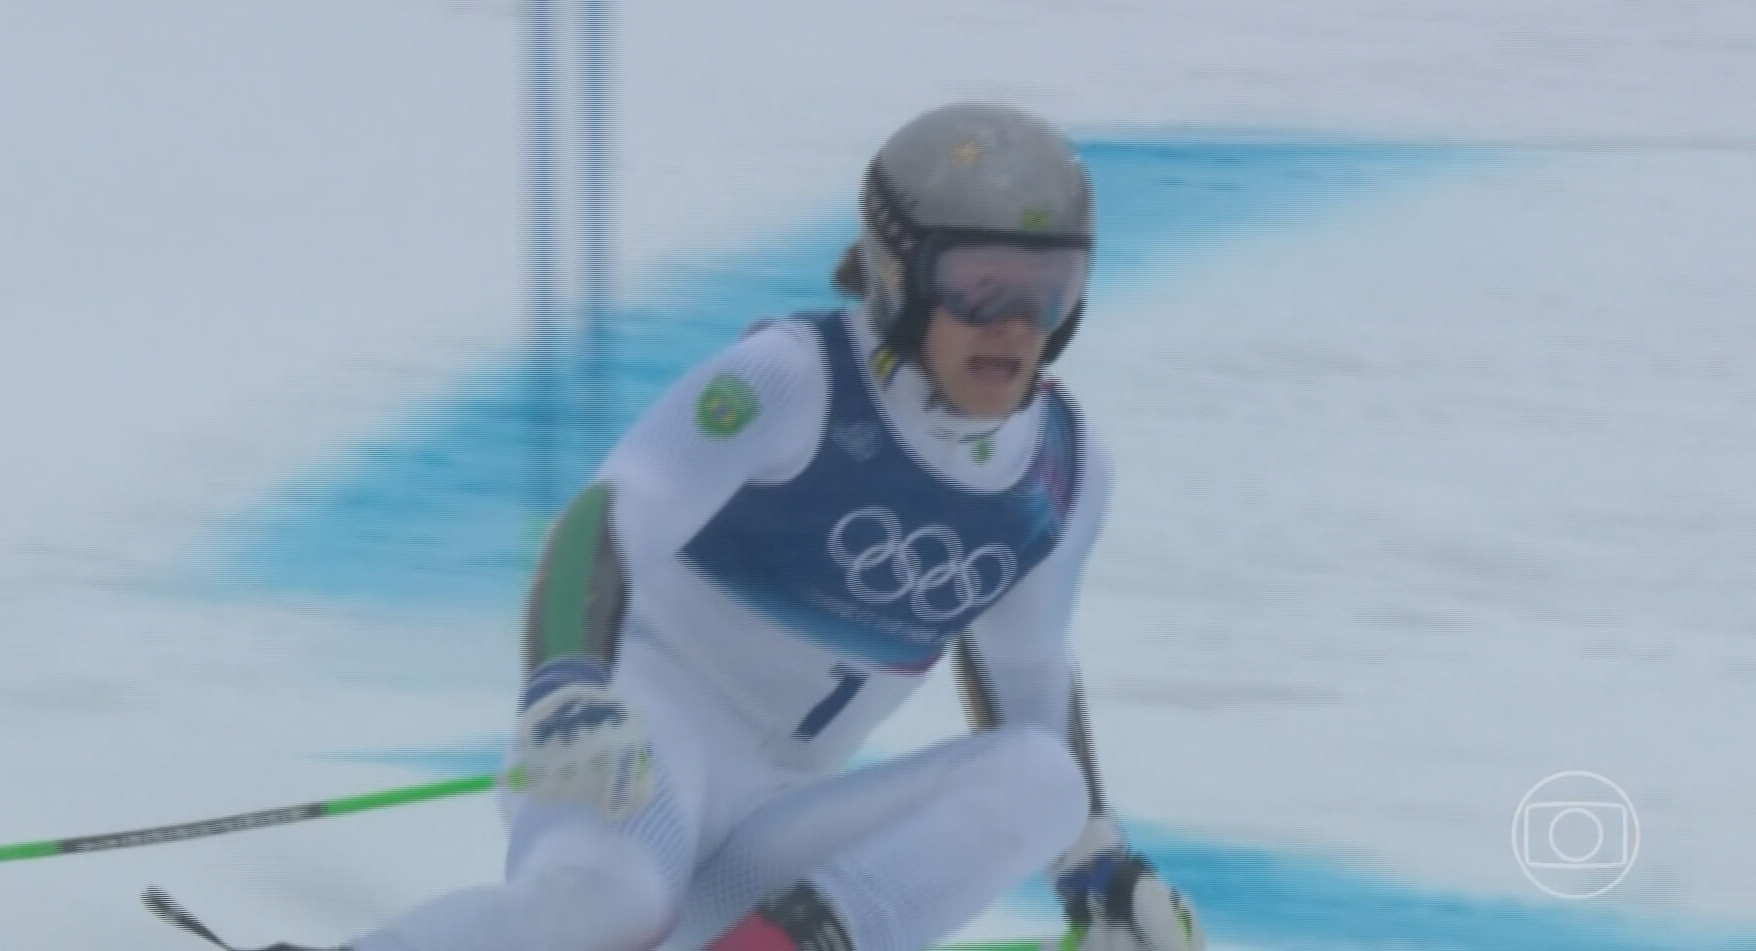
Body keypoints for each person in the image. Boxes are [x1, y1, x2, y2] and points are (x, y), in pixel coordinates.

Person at [342, 103, 1206, 951]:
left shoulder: (1067, 468)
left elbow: (1026, 670)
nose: (1017, 327)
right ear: (899, 274)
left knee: (1044, 782)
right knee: (606, 906)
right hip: (629, 752)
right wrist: (567, 686)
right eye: (980, 288)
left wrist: (1100, 870)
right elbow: (609, 516)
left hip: (777, 821)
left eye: (1048, 293)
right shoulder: (794, 379)